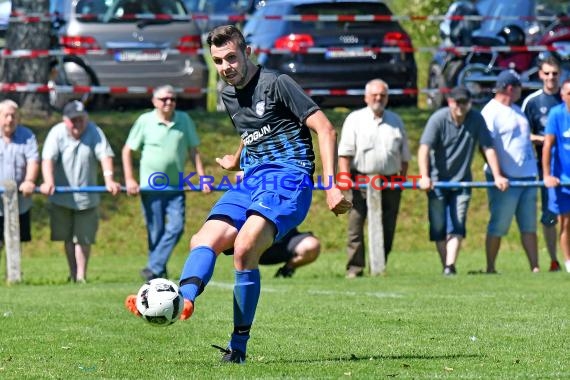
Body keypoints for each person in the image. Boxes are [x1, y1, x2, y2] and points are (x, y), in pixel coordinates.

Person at [125, 25, 351, 363]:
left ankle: (238, 348)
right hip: (252, 180)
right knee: (204, 238)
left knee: (245, 248)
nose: (226, 66)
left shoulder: (277, 83)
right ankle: (183, 299)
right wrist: (236, 157)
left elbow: (325, 128)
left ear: (246, 52)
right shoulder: (227, 93)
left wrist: (333, 185)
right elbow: (250, 131)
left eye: (231, 57)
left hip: (289, 178)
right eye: (218, 60)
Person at [122, 84, 210, 281]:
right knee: (156, 232)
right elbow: (127, 150)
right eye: (164, 99)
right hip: (149, 187)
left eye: (172, 99)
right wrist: (129, 178)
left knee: (176, 227)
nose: (169, 102)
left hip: (175, 187)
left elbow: (194, 151)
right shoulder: (144, 121)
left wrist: (203, 177)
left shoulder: (184, 119)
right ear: (154, 102)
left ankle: (153, 267)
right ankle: (157, 271)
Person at [418, 86, 507, 275]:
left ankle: (450, 265)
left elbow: (488, 148)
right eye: (456, 102)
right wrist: (424, 176)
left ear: (469, 103)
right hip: (437, 182)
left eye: (464, 102)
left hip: (462, 182)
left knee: (457, 223)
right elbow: (424, 148)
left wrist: (498, 175)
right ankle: (446, 266)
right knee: (439, 226)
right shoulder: (438, 119)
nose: (460, 106)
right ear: (450, 102)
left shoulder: (476, 119)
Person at [40, 100, 122, 283]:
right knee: (68, 238)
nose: (77, 123)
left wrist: (109, 179)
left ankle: (81, 276)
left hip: (87, 198)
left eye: (81, 119)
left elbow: (105, 156)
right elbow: (48, 159)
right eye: (73, 120)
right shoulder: (57, 132)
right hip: (62, 198)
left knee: (83, 238)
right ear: (65, 120)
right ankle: (72, 273)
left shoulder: (94, 131)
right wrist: (48, 181)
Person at [338, 79, 410, 278]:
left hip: (390, 181)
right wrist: (344, 179)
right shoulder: (354, 119)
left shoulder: (396, 121)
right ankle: (355, 268)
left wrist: (401, 181)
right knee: (355, 227)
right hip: (360, 180)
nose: (378, 98)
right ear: (366, 97)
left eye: (383, 95)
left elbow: (404, 157)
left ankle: (379, 266)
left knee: (388, 227)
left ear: (387, 97)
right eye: (375, 95)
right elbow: (344, 154)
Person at [481, 70, 540, 273]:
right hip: (507, 180)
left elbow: (520, 138)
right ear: (509, 88)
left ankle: (535, 267)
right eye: (518, 87)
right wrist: (498, 174)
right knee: (498, 225)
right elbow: (486, 145)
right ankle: (490, 267)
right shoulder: (490, 112)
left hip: (528, 177)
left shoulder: (516, 109)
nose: (520, 91)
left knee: (529, 227)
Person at [521, 55, 563, 272]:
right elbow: (522, 133)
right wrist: (546, 139)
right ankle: (554, 259)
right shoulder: (533, 101)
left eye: (554, 74)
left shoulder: (566, 99)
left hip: (567, 165)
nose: (551, 78)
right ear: (540, 75)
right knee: (549, 215)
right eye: (547, 73)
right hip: (545, 167)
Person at [0, 100, 39, 255]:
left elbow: (33, 160)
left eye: (13, 116)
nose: (10, 119)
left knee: (16, 241)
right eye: (6, 115)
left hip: (19, 201)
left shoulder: (27, 136)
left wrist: (29, 181)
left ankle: (14, 277)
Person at [542, 79, 570, 273]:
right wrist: (547, 175)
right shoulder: (556, 114)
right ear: (563, 95)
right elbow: (548, 145)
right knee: (566, 223)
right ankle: (568, 262)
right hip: (563, 181)